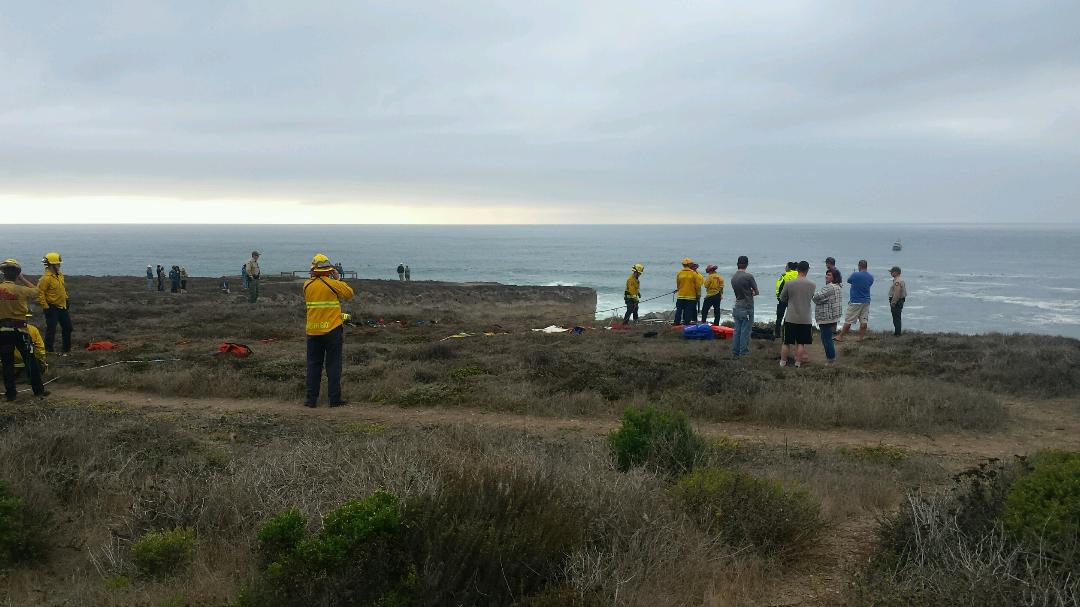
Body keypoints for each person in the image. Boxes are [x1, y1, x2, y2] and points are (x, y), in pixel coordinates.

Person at [303, 253, 355, 407]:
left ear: (313, 269)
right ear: (329, 269)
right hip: (332, 330)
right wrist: (338, 279)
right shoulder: (333, 283)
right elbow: (349, 294)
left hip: (312, 331)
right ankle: (334, 399)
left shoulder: (306, 285)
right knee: (333, 365)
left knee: (313, 365)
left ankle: (311, 400)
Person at [0, 259, 47, 401]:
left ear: (3, 273)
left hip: (2, 331)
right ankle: (38, 391)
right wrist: (23, 279)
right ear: (17, 274)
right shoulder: (22, 290)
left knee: (7, 363)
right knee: (30, 361)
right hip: (21, 331)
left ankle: (11, 394)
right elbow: (37, 291)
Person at [779, 261, 815, 368]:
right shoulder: (812, 284)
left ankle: (782, 362)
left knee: (786, 342)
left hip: (791, 316)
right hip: (805, 318)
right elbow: (811, 297)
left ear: (797, 269)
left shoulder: (789, 283)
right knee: (801, 343)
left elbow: (782, 298)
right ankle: (798, 363)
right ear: (807, 270)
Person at [38, 252, 73, 355]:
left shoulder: (60, 275)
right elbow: (40, 293)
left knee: (68, 328)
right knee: (51, 330)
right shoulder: (45, 278)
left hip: (62, 306)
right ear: (52, 265)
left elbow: (62, 289)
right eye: (58, 264)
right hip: (51, 307)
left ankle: (66, 350)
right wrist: (46, 307)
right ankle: (48, 351)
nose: (59, 265)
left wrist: (66, 300)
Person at [836, 260, 874, 342]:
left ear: (859, 266)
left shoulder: (855, 274)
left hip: (855, 301)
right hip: (866, 301)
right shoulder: (871, 277)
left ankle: (840, 336)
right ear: (866, 266)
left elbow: (849, 281)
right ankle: (860, 338)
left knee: (849, 320)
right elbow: (869, 284)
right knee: (863, 320)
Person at [730, 256, 759, 358]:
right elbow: (756, 292)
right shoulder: (749, 277)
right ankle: (744, 352)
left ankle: (735, 352)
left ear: (737, 264)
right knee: (745, 331)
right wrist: (751, 292)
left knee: (737, 330)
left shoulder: (733, 278)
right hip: (747, 306)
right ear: (746, 264)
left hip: (737, 305)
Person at [813, 268, 843, 363]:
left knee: (826, 339)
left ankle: (831, 359)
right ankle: (831, 358)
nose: (826, 276)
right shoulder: (838, 286)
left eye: (829, 275)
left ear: (835, 277)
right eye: (826, 274)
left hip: (826, 316)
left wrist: (817, 299)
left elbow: (815, 297)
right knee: (827, 338)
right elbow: (825, 299)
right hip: (833, 316)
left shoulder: (829, 287)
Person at [13, 313, 46, 380]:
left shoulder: (5, 331)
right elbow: (40, 348)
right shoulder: (33, 329)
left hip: (10, 363)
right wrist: (42, 360)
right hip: (29, 361)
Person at [674, 258, 703, 325]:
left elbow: (678, 284)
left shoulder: (679, 273)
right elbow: (697, 286)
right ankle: (686, 323)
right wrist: (698, 294)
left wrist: (679, 290)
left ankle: (676, 323)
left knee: (679, 310)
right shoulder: (694, 274)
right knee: (688, 310)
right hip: (691, 296)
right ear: (690, 264)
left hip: (681, 296)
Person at [774, 262, 798, 338]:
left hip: (783, 299)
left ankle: (777, 334)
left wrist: (778, 297)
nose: (785, 268)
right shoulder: (799, 276)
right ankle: (787, 333)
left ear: (790, 268)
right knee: (790, 317)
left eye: (786, 266)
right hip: (794, 300)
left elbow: (779, 286)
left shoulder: (785, 275)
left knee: (779, 317)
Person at [888, 266, 907, 336]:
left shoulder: (897, 281)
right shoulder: (899, 280)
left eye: (892, 272)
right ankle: (897, 332)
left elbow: (897, 293)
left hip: (897, 301)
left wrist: (893, 302)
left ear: (895, 272)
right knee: (897, 317)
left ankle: (897, 333)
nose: (891, 273)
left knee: (896, 317)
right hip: (899, 300)